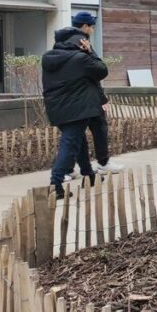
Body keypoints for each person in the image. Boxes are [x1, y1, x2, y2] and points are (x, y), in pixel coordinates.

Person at [42, 29, 109, 199]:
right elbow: (102, 70)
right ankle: (55, 184)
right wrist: (91, 51)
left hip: (57, 108)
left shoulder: (49, 58)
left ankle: (89, 176)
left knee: (79, 142)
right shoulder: (81, 58)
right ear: (78, 42)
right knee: (70, 143)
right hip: (78, 108)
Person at [64, 11, 122, 175]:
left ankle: (100, 163)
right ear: (84, 26)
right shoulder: (79, 42)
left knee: (96, 127)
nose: (93, 30)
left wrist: (101, 98)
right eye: (92, 26)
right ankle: (69, 169)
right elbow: (98, 70)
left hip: (87, 96)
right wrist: (91, 53)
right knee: (78, 133)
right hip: (82, 97)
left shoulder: (71, 40)